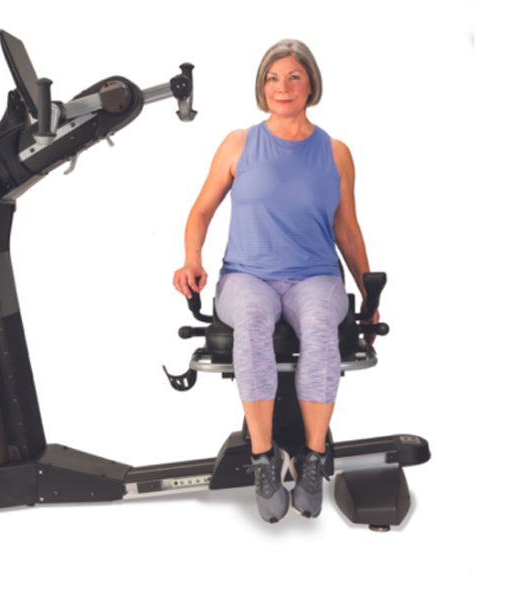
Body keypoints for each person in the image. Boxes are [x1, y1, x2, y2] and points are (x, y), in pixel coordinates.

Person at [172, 39, 378, 524]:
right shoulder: (238, 144)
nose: (281, 88)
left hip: (315, 276)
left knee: (322, 327)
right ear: (262, 87)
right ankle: (264, 461)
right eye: (272, 78)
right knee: (251, 320)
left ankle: (312, 460)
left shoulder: (336, 152)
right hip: (247, 276)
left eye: (293, 77)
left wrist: (369, 297)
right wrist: (190, 260)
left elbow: (347, 230)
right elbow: (201, 212)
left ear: (311, 86)